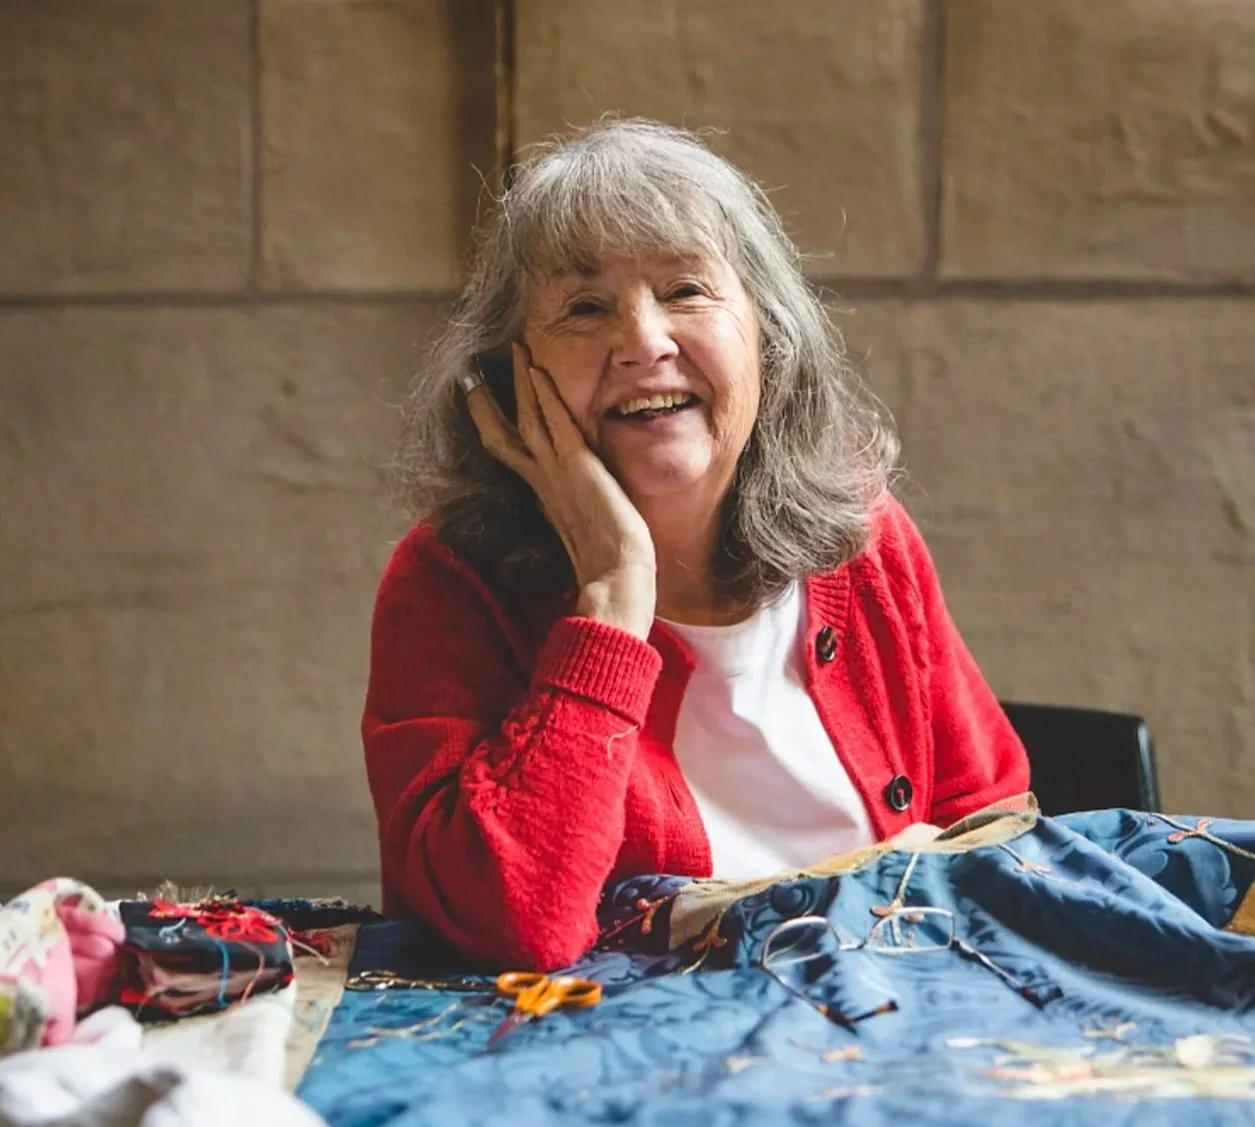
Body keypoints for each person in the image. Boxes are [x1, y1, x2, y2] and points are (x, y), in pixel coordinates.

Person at [361, 118, 1029, 970]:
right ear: (510, 376)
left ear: (768, 337)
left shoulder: (863, 539)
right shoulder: (449, 583)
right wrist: (612, 598)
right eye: (585, 308)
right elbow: (512, 923)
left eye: (684, 290)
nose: (644, 342)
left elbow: (991, 830)